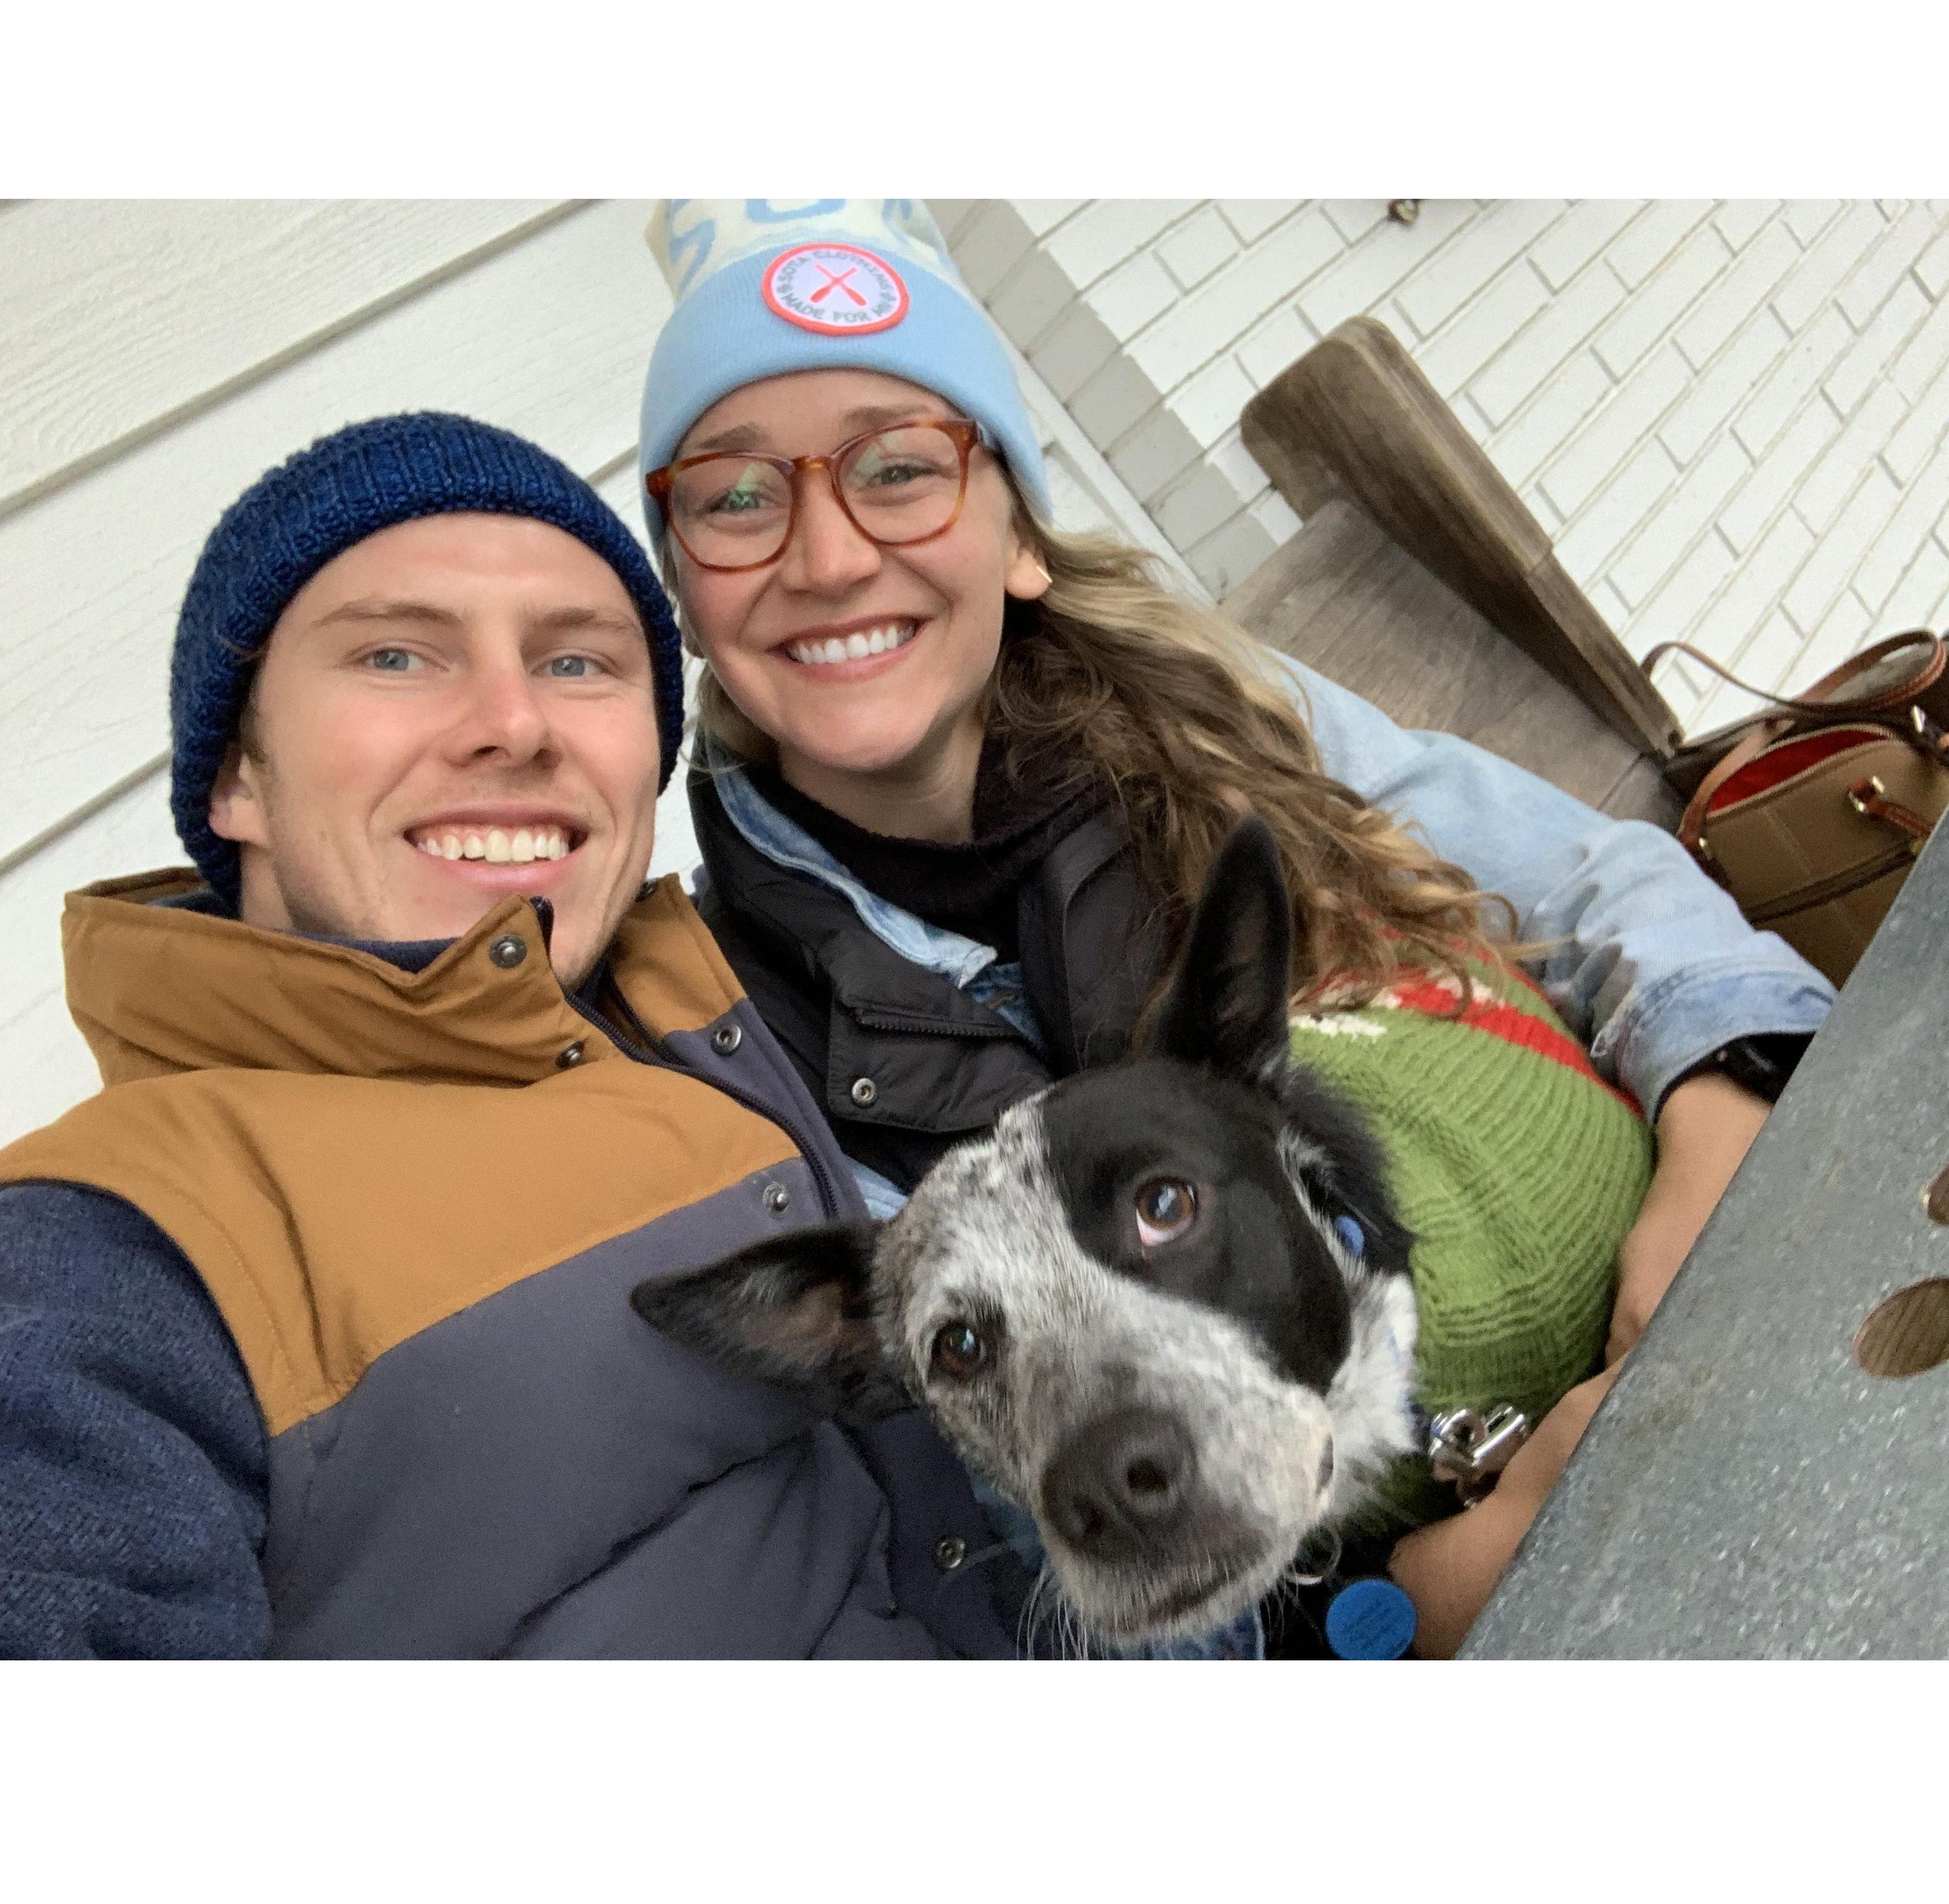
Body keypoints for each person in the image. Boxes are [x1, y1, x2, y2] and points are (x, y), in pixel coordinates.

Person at [636, 199, 1838, 1656]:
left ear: (1018, 531)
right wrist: (1449, 1587)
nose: (825, 555)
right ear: (686, 589)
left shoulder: (1216, 706)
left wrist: (1717, 1136)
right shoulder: (737, 1042)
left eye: (900, 468)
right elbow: (1074, 1531)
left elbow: (1598, 884)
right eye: (735, 495)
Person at [0, 411, 1034, 1659]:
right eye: (394, 655)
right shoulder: (112, 1241)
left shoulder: (719, 990)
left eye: (579, 662)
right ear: (236, 779)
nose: (514, 721)